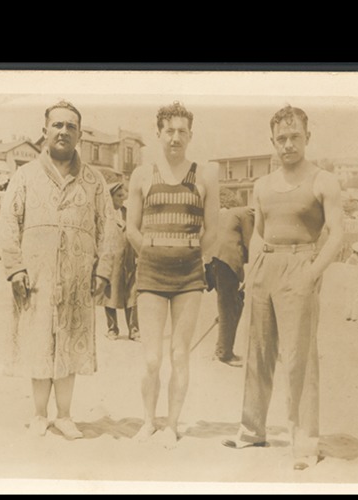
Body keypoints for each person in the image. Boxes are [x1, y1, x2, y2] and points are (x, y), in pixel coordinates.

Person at [222, 105, 343, 471]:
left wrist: (312, 272)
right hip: (263, 268)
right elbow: (258, 234)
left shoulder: (324, 180)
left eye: (295, 137)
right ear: (272, 141)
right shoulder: (261, 184)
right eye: (281, 139)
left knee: (299, 359)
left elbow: (337, 235)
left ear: (307, 136)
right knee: (257, 353)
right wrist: (250, 271)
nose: (288, 144)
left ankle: (305, 443)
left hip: (300, 264)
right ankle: (251, 429)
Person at [0, 100, 114, 439]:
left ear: (79, 134)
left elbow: (109, 227)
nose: (64, 131)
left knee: (69, 340)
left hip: (78, 279)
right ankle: (38, 414)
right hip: (36, 277)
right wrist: (16, 268)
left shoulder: (94, 181)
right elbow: (7, 222)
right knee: (38, 341)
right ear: (45, 131)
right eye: (58, 125)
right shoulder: (25, 176)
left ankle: (64, 415)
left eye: (71, 126)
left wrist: (103, 271)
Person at [126, 101, 219, 448]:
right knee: (151, 358)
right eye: (170, 131)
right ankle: (148, 421)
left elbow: (213, 228)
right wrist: (151, 254)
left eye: (182, 131)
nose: (176, 137)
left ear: (190, 135)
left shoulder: (205, 175)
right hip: (151, 273)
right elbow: (131, 229)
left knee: (180, 353)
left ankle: (172, 424)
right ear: (159, 133)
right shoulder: (142, 174)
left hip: (189, 277)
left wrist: (194, 255)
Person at [205, 191, 255, 367]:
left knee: (234, 304)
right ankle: (224, 353)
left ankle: (223, 347)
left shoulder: (229, 213)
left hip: (212, 262)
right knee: (228, 308)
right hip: (226, 262)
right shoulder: (248, 214)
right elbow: (251, 244)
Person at [97, 181, 139, 341]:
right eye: (119, 196)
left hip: (129, 260)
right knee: (110, 294)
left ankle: (134, 330)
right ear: (110, 197)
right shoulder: (105, 215)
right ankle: (112, 329)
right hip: (111, 261)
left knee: (132, 295)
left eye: (124, 195)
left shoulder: (128, 213)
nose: (123, 198)